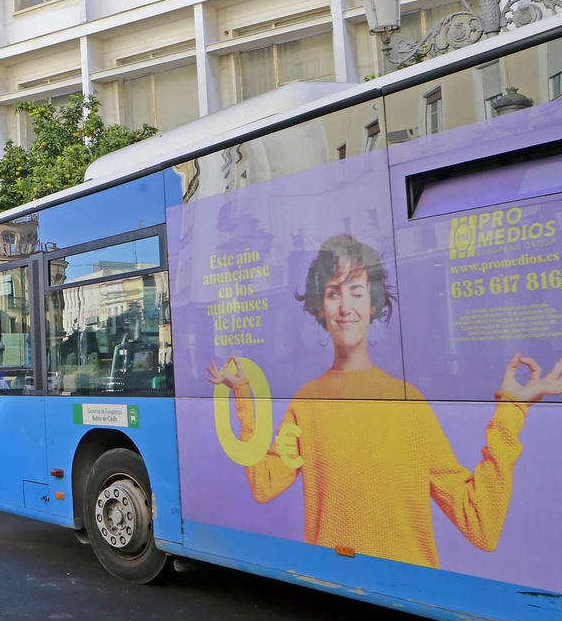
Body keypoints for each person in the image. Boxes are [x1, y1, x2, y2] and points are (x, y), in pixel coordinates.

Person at [206, 234, 562, 569]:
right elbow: (264, 485)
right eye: (333, 293)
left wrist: (511, 412)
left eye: (356, 291)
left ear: (374, 303)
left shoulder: (409, 402)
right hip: (335, 590)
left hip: (408, 596)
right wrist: (243, 398)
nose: (345, 306)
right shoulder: (308, 401)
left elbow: (480, 524)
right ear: (319, 308)